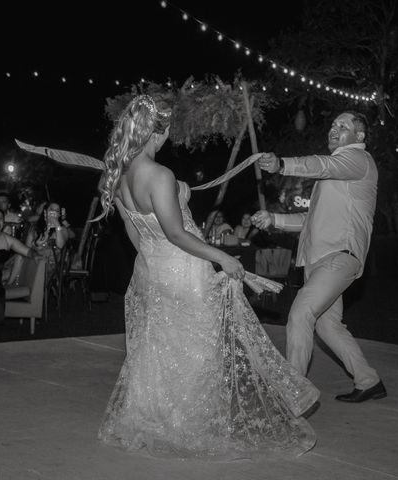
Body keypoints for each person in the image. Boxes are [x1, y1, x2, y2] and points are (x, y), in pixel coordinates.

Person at [96, 94, 318, 459]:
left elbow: (135, 233)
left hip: (151, 268)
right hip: (183, 268)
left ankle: (152, 419)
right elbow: (177, 233)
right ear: (158, 131)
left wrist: (153, 262)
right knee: (197, 346)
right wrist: (224, 259)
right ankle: (188, 424)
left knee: (160, 345)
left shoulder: (118, 177)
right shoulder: (159, 175)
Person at [252, 111, 386, 403]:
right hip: (321, 261)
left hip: (339, 256)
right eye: (332, 125)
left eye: (343, 126)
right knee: (328, 325)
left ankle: (291, 395)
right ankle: (369, 381)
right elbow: (311, 219)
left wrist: (282, 165)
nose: (334, 129)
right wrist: (273, 219)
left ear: (359, 136)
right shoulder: (339, 173)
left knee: (301, 313)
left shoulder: (358, 160)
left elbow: (321, 164)